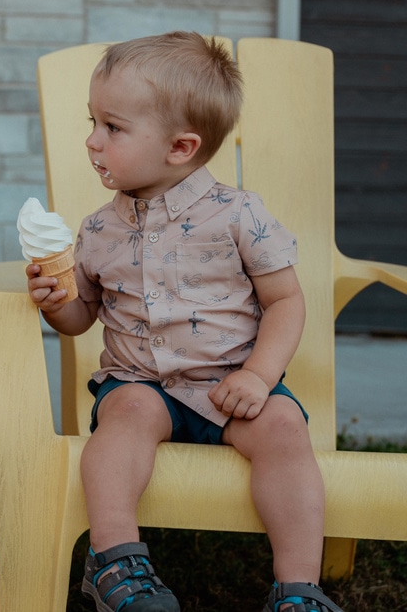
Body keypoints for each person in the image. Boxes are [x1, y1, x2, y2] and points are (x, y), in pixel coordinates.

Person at [26, 32, 343, 612]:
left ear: (180, 147)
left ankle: (299, 590)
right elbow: (82, 317)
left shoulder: (240, 214)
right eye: (92, 122)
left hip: (231, 385)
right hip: (141, 384)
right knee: (124, 415)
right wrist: (56, 305)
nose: (92, 141)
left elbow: (285, 301)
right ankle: (115, 561)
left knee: (283, 428)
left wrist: (259, 376)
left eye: (112, 127)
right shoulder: (97, 229)